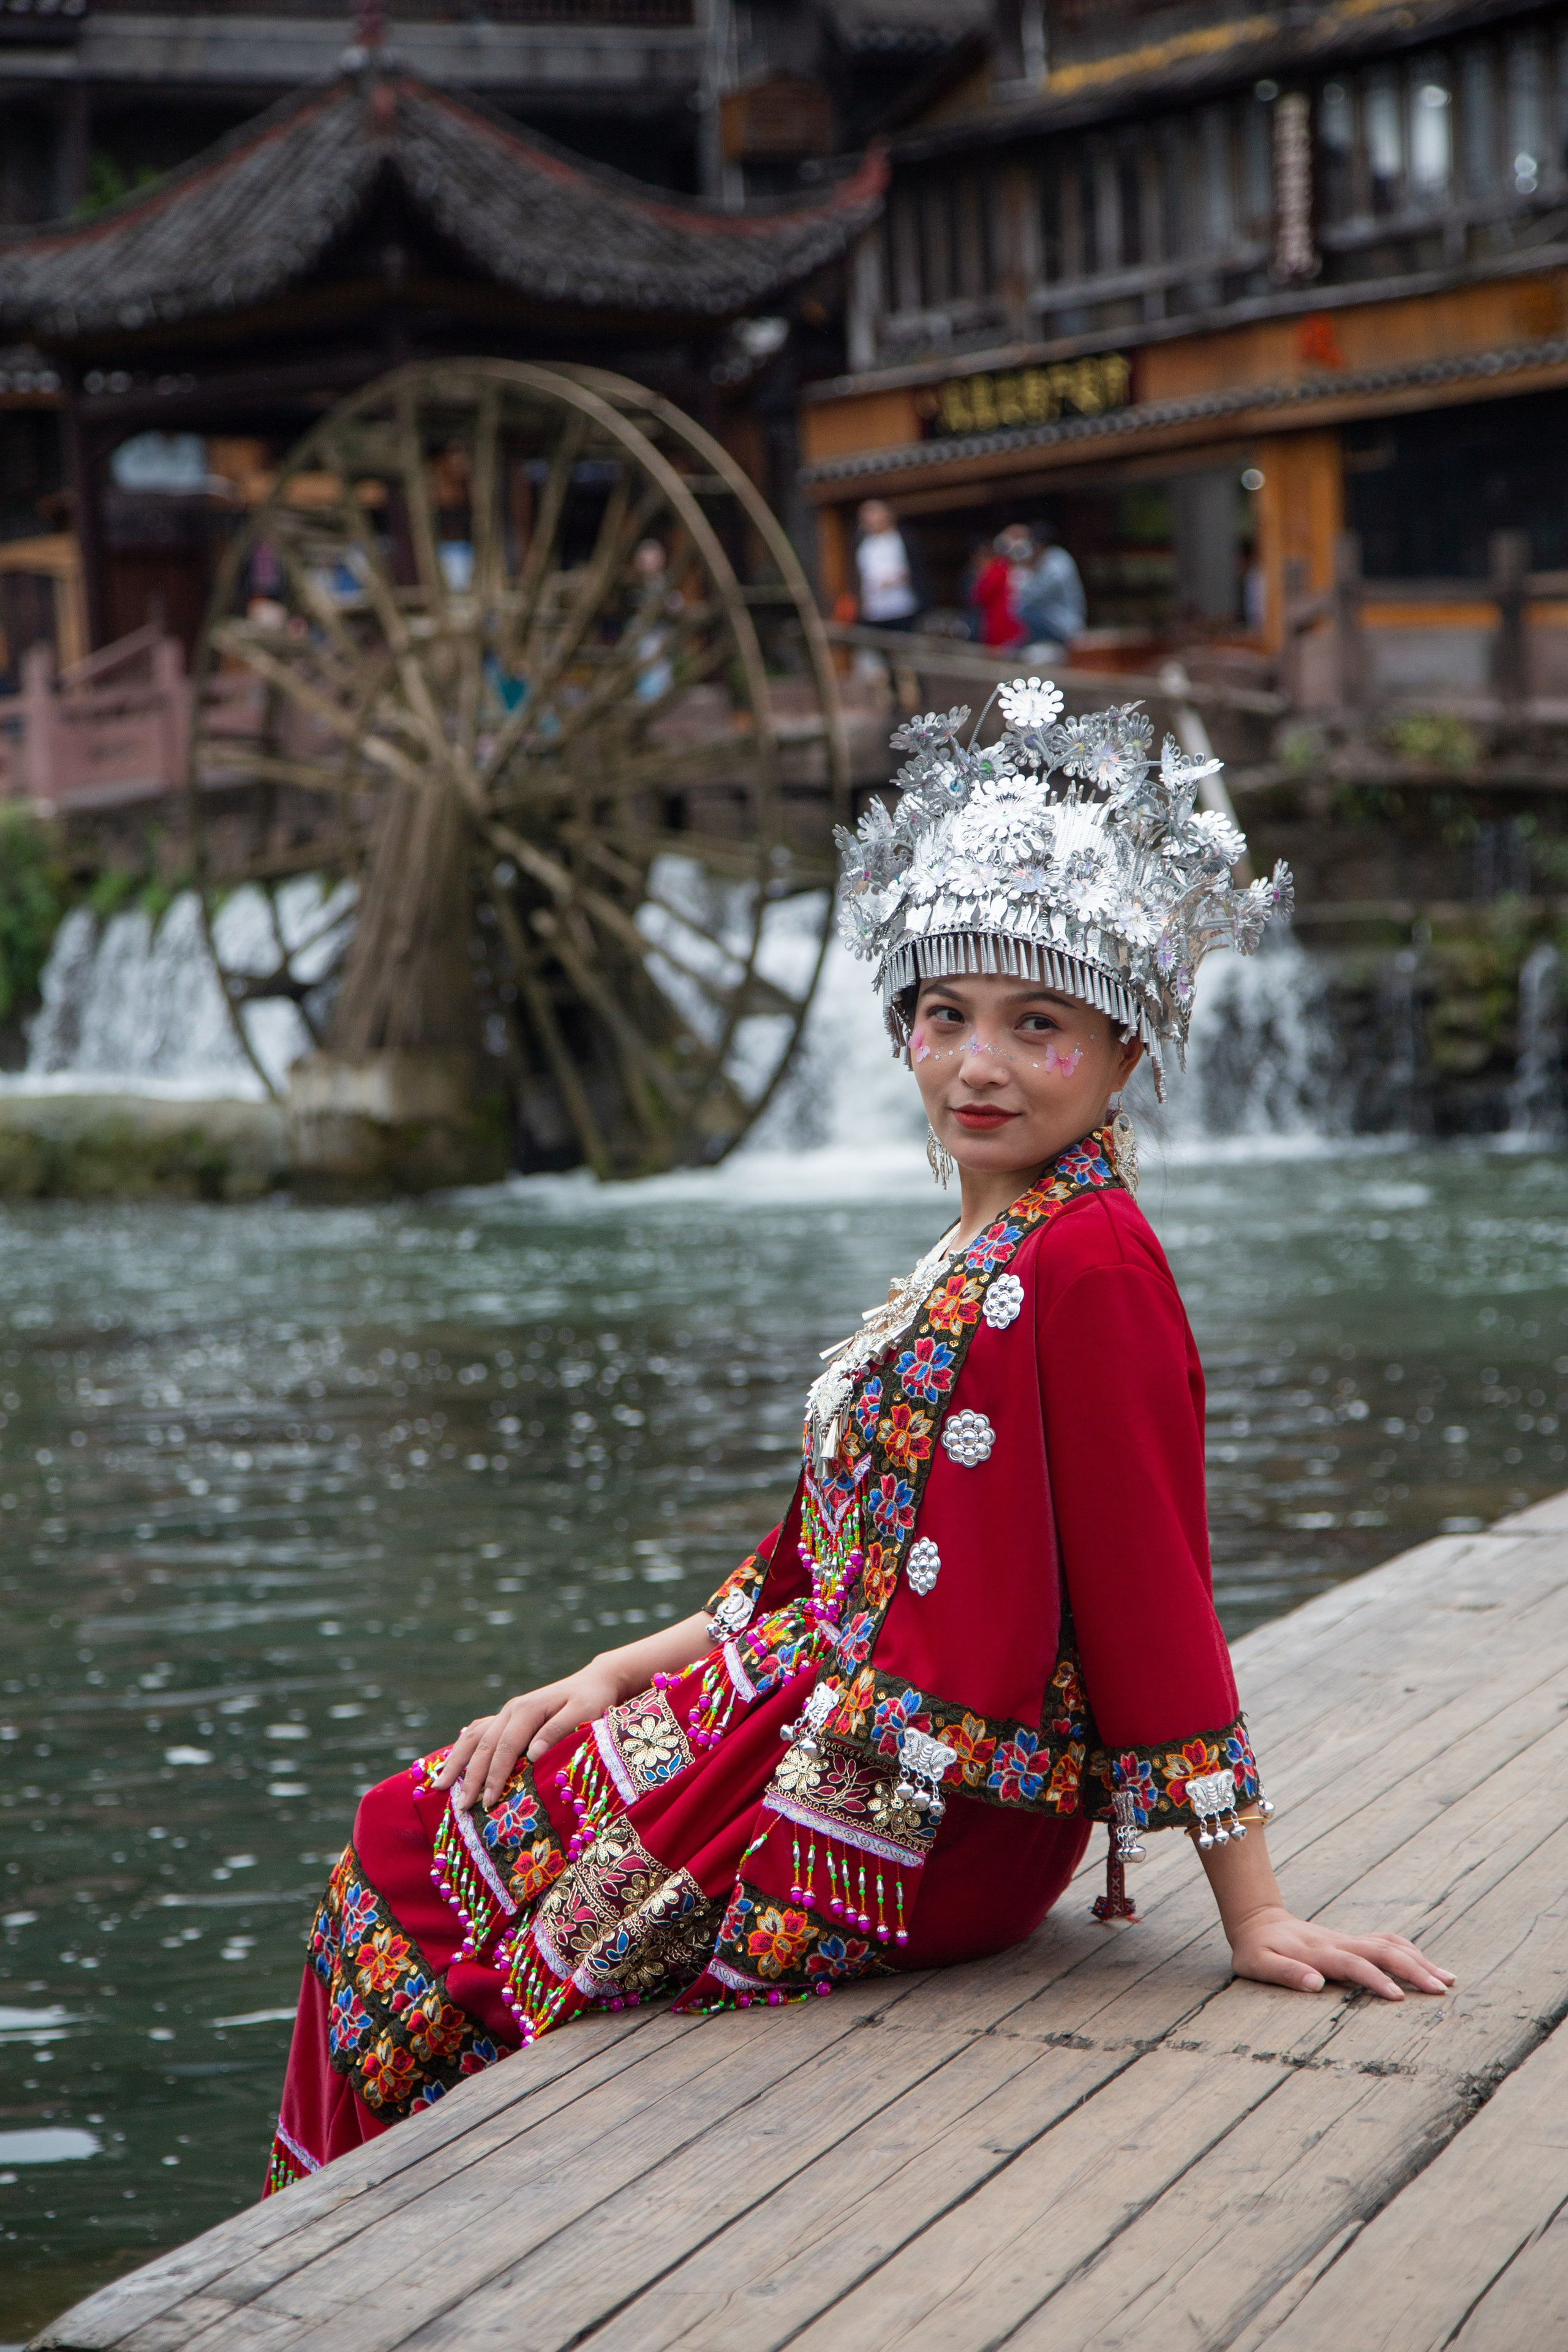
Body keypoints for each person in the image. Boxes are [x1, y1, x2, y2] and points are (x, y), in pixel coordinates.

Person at [264, 677, 1452, 2193]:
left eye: (1038, 1025)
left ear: (1123, 1044)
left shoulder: (1083, 1258)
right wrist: (612, 1672)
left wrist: (1253, 1914)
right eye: (946, 1015)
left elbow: (1154, 1593)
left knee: (407, 1877)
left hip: (908, 1807)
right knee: (430, 1845)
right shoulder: (985, 1248)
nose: (980, 1063)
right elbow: (815, 1560)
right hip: (833, 1733)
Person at [1016, 519, 1086, 654]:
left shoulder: (1058, 561)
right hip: (1055, 619)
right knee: (1023, 610)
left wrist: (1024, 570)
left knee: (1025, 610)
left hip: (1067, 625)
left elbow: (1033, 594)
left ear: (1040, 544)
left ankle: (1046, 643)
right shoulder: (1049, 558)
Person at [853, 499, 919, 631]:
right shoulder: (863, 545)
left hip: (901, 608)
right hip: (874, 611)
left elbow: (914, 571)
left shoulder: (902, 539)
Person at [967, 524, 1033, 649]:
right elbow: (979, 596)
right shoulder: (999, 569)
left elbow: (977, 596)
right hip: (1001, 631)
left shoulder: (1001, 568)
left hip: (1020, 632)